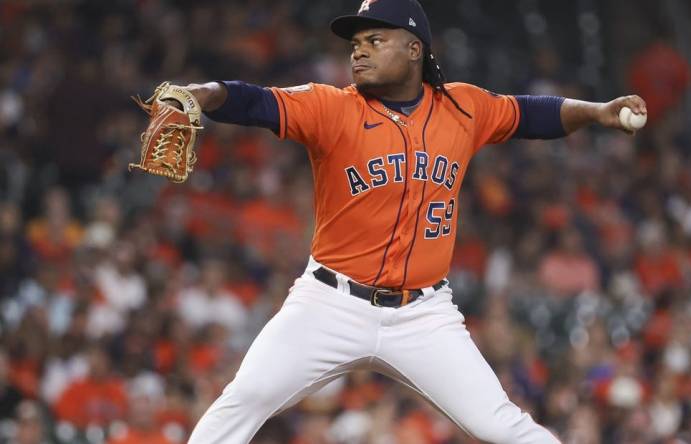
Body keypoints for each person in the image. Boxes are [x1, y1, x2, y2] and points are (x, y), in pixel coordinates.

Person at [180, 1, 647, 442]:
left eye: (374, 39)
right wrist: (202, 94)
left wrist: (597, 112)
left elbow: (531, 113)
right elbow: (255, 101)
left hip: (423, 316)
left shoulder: (462, 107)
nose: (358, 50)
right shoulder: (331, 107)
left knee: (502, 427)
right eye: (354, 43)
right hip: (329, 304)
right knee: (243, 400)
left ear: (414, 48)